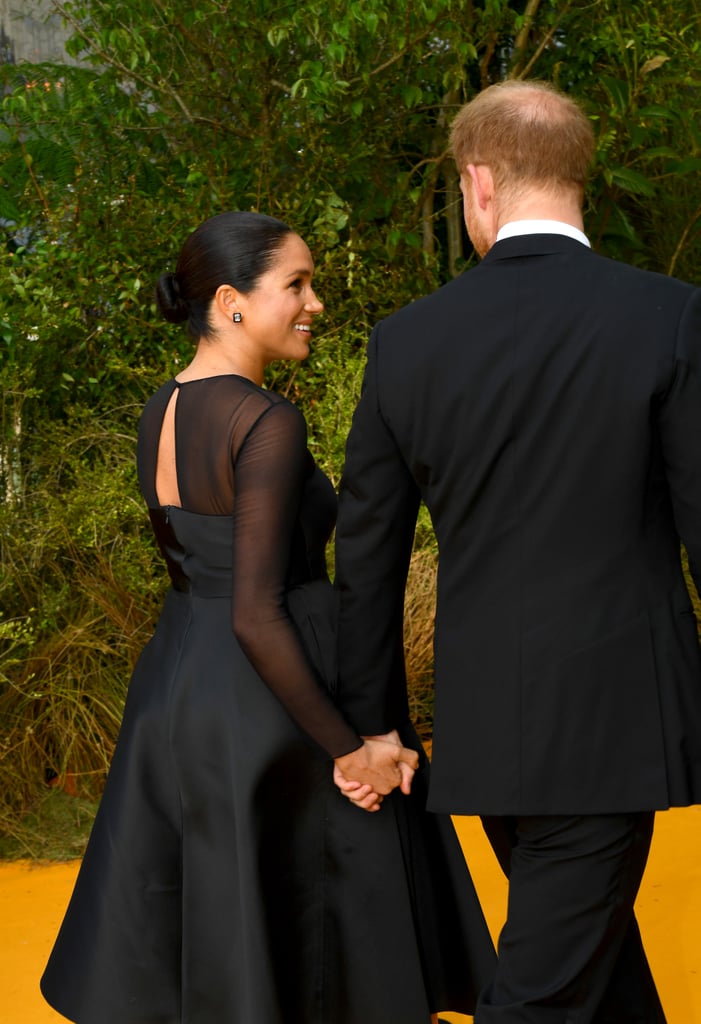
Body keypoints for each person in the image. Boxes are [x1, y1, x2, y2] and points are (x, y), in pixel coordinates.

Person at [40, 210, 495, 1024]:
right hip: (275, 699)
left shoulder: (162, 409)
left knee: (227, 927)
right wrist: (351, 749)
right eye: (296, 284)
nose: (314, 302)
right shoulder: (265, 421)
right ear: (230, 301)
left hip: (180, 689)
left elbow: (208, 584)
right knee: (335, 947)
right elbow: (257, 612)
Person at [334, 80, 701, 1023]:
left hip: (486, 719)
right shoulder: (668, 318)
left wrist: (376, 725)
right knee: (549, 984)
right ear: (579, 177)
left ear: (478, 182)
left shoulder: (406, 343)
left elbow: (366, 558)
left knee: (587, 959)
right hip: (619, 723)